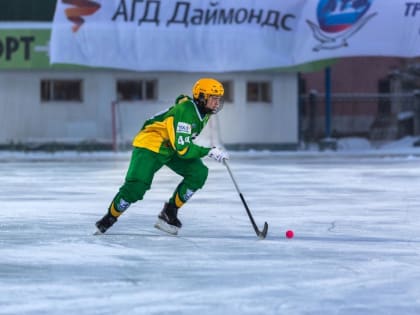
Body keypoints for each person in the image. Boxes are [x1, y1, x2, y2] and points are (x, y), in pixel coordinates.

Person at [95, 78, 229, 235]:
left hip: (171, 146)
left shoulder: (204, 112)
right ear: (201, 97)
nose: (216, 103)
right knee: (136, 188)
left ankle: (169, 212)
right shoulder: (185, 112)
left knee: (198, 173)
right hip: (151, 145)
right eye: (213, 98)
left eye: (218, 99)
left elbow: (181, 142)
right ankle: (108, 219)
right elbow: (184, 150)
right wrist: (209, 151)